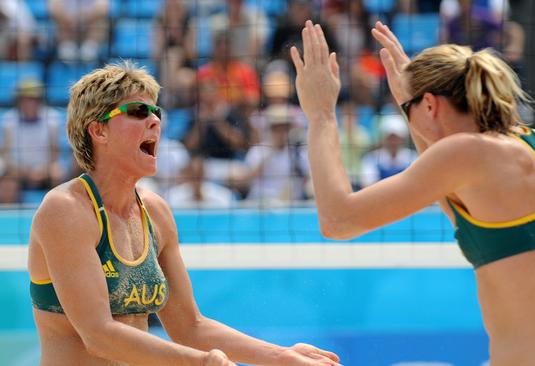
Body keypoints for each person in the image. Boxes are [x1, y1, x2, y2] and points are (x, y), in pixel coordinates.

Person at [290, 20, 535, 365]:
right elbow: (447, 185)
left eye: (408, 110)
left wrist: (322, 114)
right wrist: (410, 97)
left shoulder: (466, 155)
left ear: (431, 105)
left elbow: (338, 220)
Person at [27, 61, 341, 366]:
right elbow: (98, 335)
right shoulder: (66, 210)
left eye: (155, 111)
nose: (155, 121)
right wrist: (203, 362)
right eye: (138, 111)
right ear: (99, 131)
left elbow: (190, 327)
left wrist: (281, 357)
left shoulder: (156, 212)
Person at [1, 79, 66, 202]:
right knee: (7, 183)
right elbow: (4, 154)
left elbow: (55, 152)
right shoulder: (8, 121)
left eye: (33, 99)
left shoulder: (52, 118)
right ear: (18, 101)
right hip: (16, 170)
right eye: (25, 99)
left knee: (57, 173)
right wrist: (22, 172)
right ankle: (10, 214)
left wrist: (42, 171)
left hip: (45, 170)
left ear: (39, 101)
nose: (29, 103)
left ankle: (57, 208)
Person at [359, 114, 416, 188]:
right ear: (383, 138)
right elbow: (366, 186)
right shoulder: (371, 159)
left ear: (403, 139)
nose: (393, 142)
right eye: (390, 138)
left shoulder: (413, 158)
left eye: (396, 138)